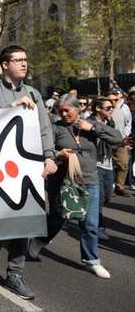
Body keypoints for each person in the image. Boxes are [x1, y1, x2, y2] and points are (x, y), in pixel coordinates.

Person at [0, 45, 57, 300]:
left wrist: (50, 157)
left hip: (28, 167)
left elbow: (44, 127)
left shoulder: (34, 93)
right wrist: (13, 109)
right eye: (18, 60)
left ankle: (14, 274)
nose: (24, 64)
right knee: (0, 221)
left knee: (25, 222)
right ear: (4, 65)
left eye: (25, 59)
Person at [27, 95, 120, 279]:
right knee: (58, 219)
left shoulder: (90, 125)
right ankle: (39, 241)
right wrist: (58, 154)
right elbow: (44, 151)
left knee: (90, 224)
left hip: (90, 181)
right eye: (60, 110)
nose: (63, 114)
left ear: (78, 109)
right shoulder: (56, 128)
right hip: (64, 183)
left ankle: (91, 260)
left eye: (67, 110)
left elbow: (116, 138)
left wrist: (92, 128)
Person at [89, 97, 119, 241]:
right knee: (100, 198)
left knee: (108, 196)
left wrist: (121, 143)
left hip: (108, 163)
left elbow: (114, 140)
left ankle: (90, 216)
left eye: (112, 107)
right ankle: (98, 227)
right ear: (98, 109)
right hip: (95, 164)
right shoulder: (89, 122)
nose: (111, 110)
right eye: (108, 108)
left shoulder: (109, 122)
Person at [109, 88, 132, 196]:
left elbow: (128, 123)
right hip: (107, 141)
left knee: (124, 164)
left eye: (116, 97)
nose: (115, 100)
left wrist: (126, 136)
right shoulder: (106, 108)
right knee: (108, 165)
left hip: (121, 141)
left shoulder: (125, 108)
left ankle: (119, 186)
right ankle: (109, 187)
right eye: (112, 97)